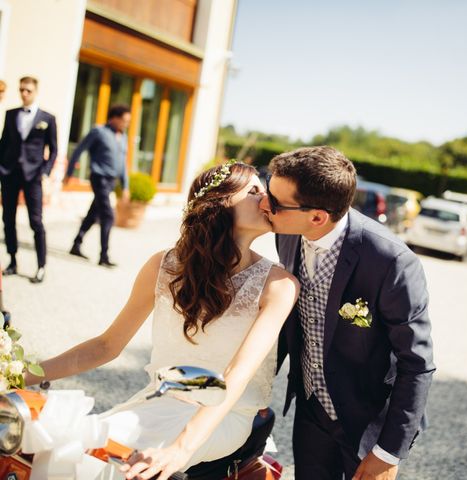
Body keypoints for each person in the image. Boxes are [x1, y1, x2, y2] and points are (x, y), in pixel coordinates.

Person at [26, 161, 299, 479]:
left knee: (129, 458)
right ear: (220, 203)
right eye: (254, 191)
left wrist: (181, 447)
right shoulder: (163, 266)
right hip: (161, 398)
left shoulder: (278, 285)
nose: (268, 200)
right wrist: (20, 376)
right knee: (72, 442)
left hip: (226, 415)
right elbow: (106, 345)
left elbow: (236, 375)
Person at [260, 146, 435, 480]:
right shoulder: (288, 237)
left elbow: (417, 364)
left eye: (277, 202)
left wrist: (387, 452)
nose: (266, 204)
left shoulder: (391, 261)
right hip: (310, 413)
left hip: (368, 425)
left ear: (317, 217)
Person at [0, 76, 57, 283]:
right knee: (8, 219)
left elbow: (53, 150)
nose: (24, 93)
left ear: (35, 92)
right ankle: (13, 260)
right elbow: (3, 143)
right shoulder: (10, 114)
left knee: (36, 221)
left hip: (33, 176)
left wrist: (45, 172)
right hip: (9, 174)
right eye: (21, 89)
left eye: (28, 90)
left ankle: (41, 266)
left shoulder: (47, 118)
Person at [64, 104, 131, 267]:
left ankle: (76, 244)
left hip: (111, 181)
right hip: (99, 177)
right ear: (114, 118)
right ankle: (104, 256)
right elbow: (79, 150)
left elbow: (122, 163)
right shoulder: (99, 132)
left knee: (93, 214)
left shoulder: (122, 136)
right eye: (124, 121)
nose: (126, 124)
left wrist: (125, 185)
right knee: (108, 215)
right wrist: (69, 173)